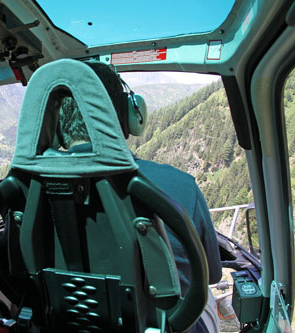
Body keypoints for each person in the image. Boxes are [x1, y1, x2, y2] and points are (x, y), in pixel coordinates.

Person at [58, 61, 222, 333]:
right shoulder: (181, 187)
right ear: (128, 118)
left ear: (59, 128)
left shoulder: (26, 196)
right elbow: (211, 275)